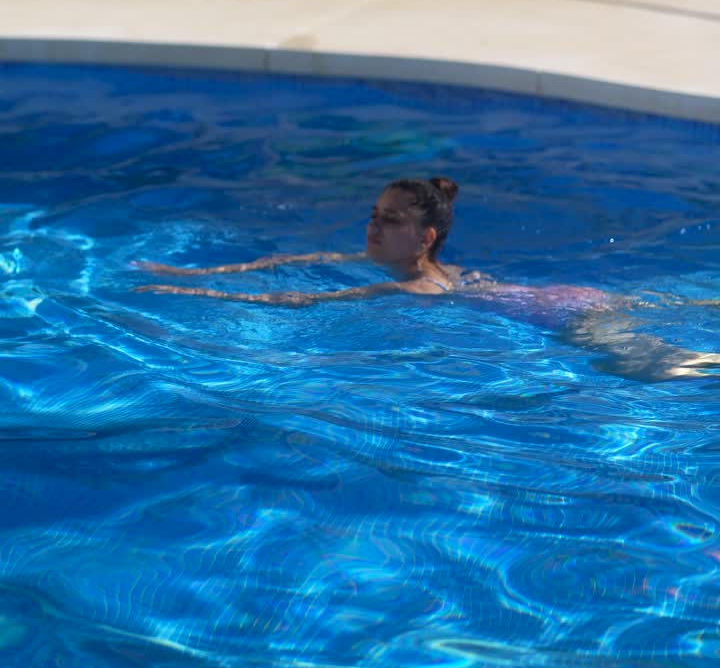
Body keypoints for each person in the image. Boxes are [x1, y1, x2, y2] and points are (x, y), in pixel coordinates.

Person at [134, 175, 720, 380]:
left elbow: (302, 300)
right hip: (564, 298)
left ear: (424, 240)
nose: (372, 228)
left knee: (658, 367)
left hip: (565, 314)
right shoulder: (428, 269)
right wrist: (193, 271)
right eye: (372, 216)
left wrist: (196, 296)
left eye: (388, 222)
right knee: (677, 310)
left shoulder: (416, 285)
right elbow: (284, 266)